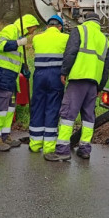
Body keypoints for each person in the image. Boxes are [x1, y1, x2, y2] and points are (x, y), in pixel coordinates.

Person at [45, 11, 109, 161]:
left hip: (78, 79)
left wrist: (64, 72)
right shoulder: (105, 40)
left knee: (68, 115)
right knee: (88, 118)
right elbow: (106, 68)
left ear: (85, 20)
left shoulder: (79, 30)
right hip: (93, 84)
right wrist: (100, 87)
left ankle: (62, 150)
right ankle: (85, 149)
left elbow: (70, 53)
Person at [0, 14, 39, 152]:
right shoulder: (11, 29)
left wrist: (24, 69)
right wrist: (17, 43)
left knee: (9, 108)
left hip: (11, 77)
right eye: (32, 28)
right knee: (0, 109)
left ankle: (4, 136)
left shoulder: (20, 36)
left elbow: (15, 59)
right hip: (1, 75)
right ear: (28, 25)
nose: (32, 32)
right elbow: (0, 45)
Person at [28, 14, 69, 155]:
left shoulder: (37, 38)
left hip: (39, 75)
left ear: (47, 26)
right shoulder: (65, 38)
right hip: (56, 76)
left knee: (38, 106)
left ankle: (34, 143)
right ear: (60, 27)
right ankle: (49, 146)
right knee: (52, 107)